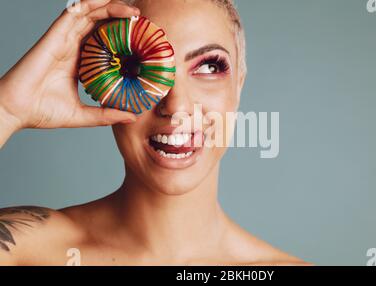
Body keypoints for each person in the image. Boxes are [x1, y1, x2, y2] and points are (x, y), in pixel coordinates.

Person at [0, 0, 310, 266]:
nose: (176, 106)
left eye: (209, 67)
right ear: (103, 83)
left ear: (238, 84)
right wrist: (8, 109)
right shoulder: (29, 249)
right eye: (138, 67)